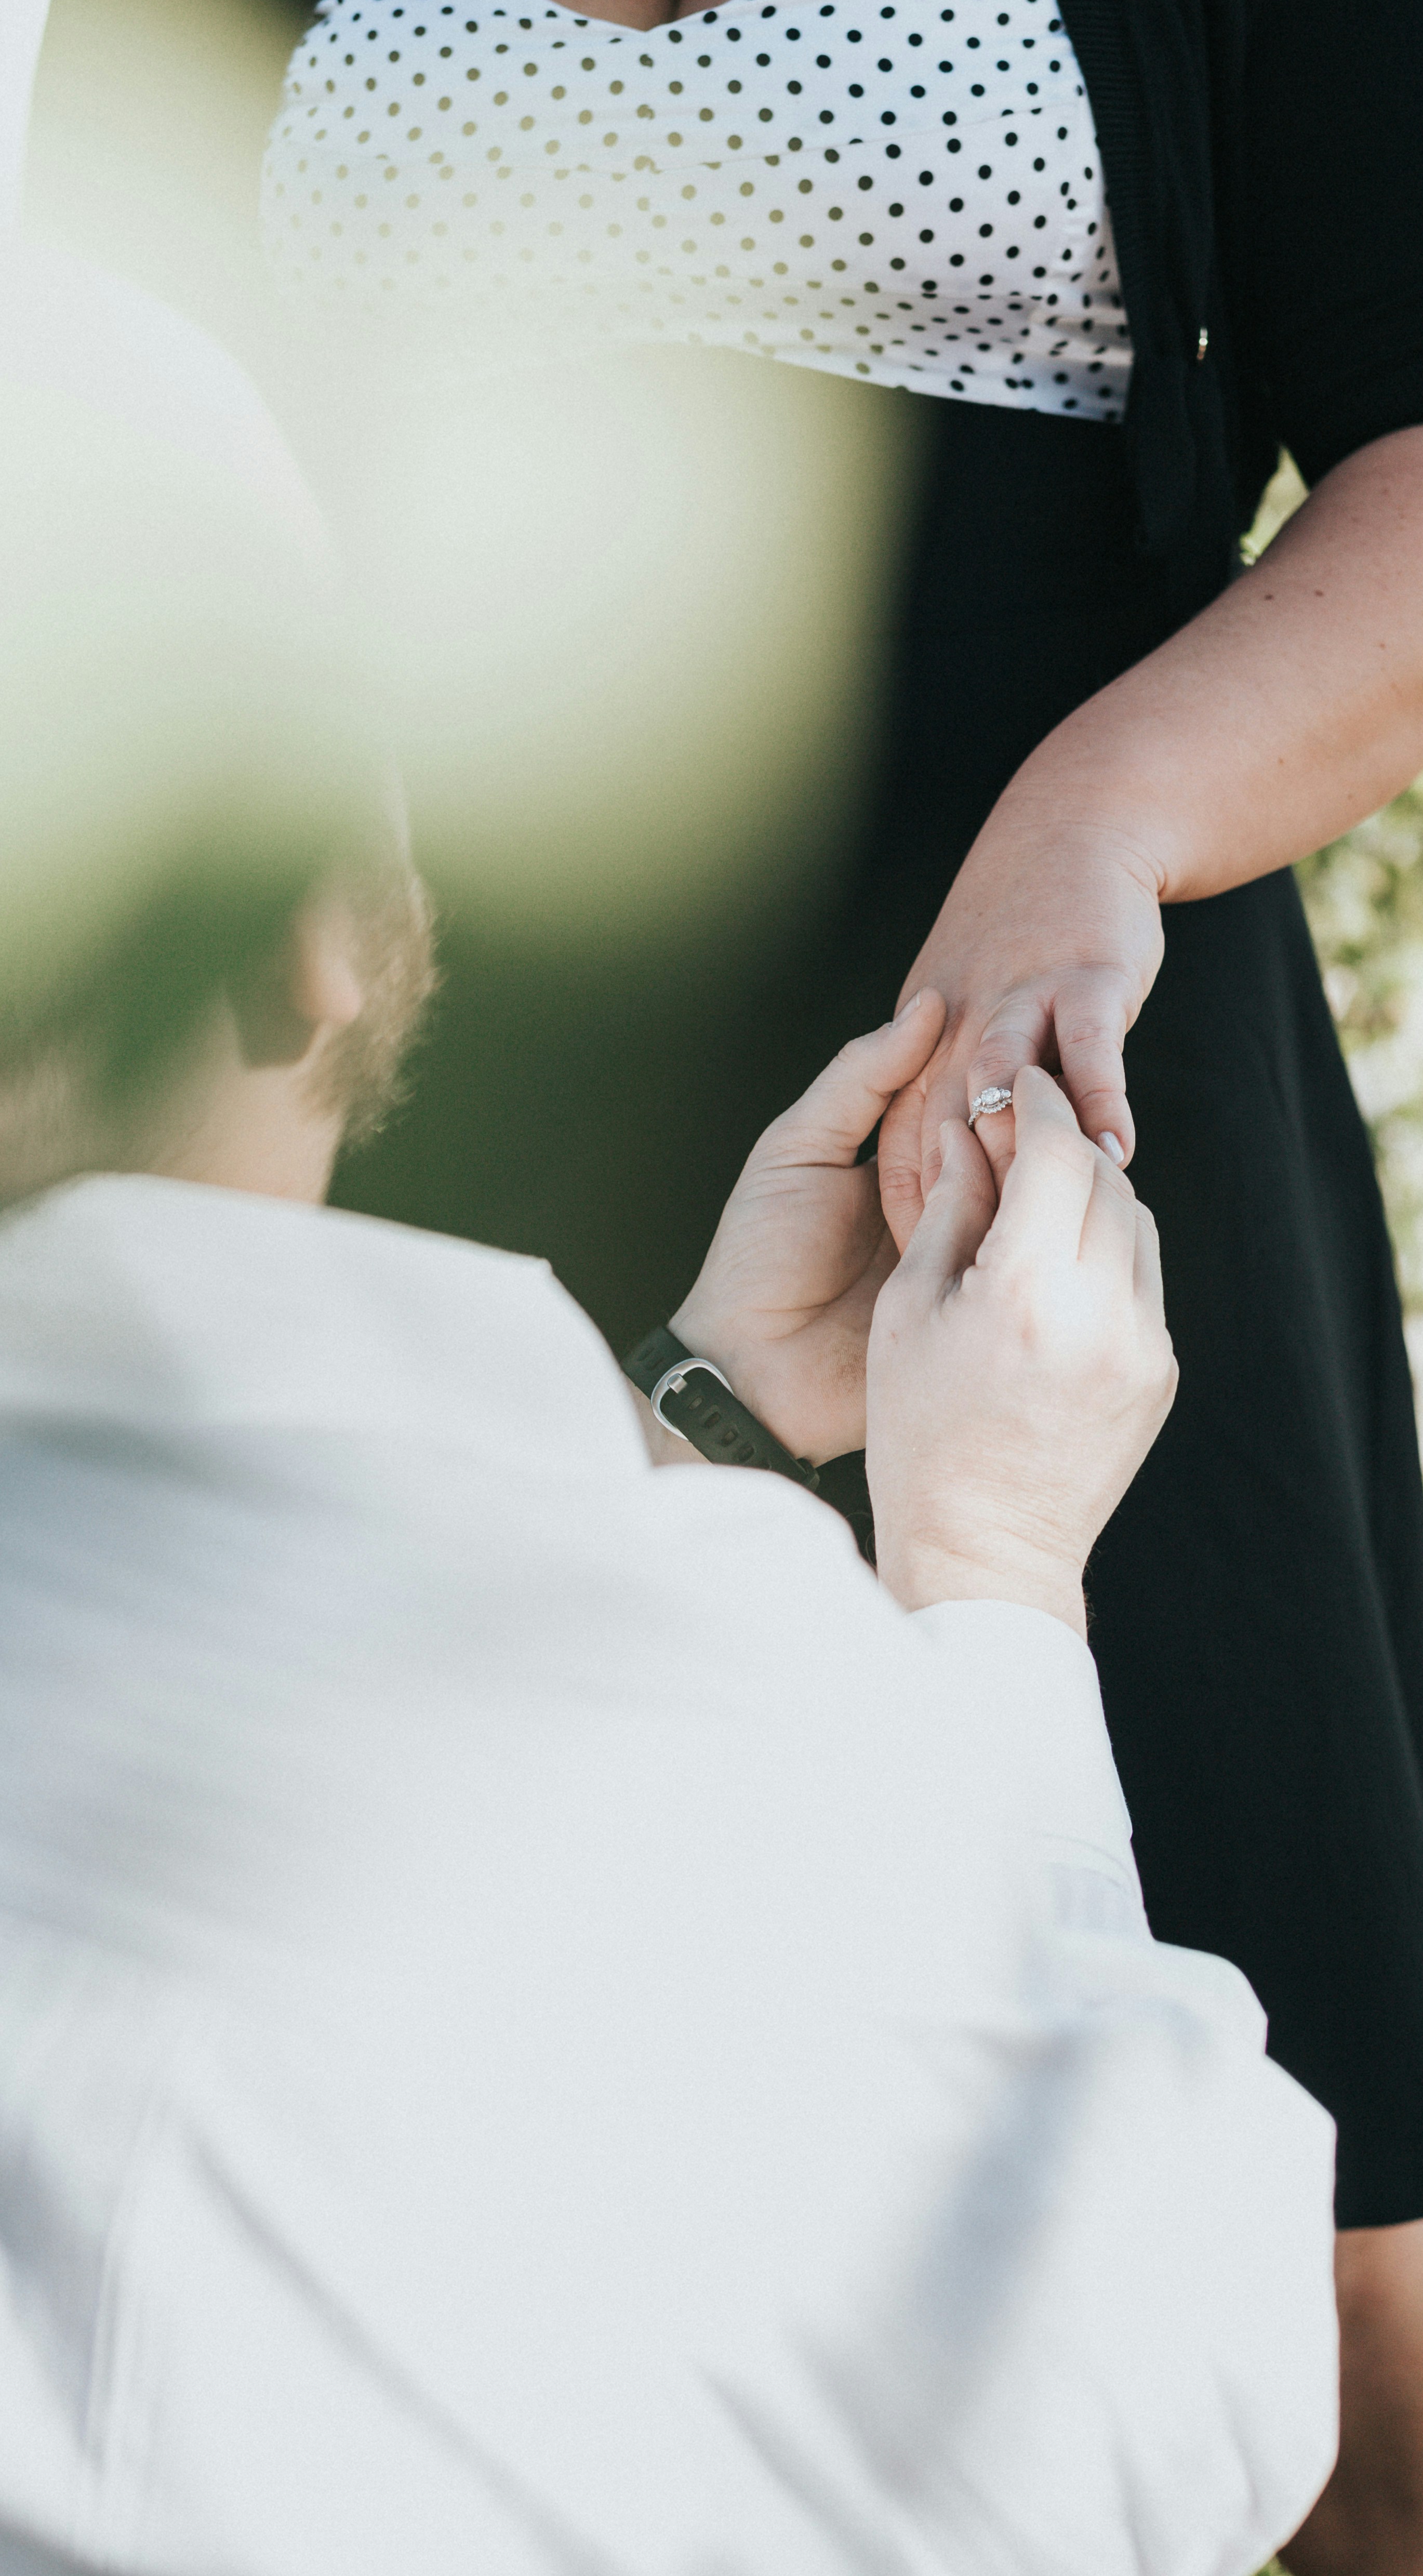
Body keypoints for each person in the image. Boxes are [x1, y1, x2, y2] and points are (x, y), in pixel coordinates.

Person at [44, 0, 1423, 2560]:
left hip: (1049, 1152)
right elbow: (90, 479)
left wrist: (1099, 823)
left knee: (1256, 2124)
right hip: (404, 1171)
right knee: (473, 2149)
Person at [0, 729, 1341, 2570]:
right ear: (313, 918)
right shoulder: (649, 1778)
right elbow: (1158, 2389)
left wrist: (694, 1407)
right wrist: (994, 1571)